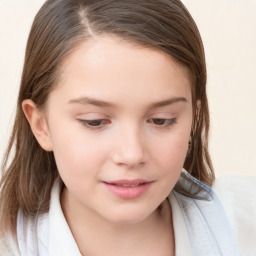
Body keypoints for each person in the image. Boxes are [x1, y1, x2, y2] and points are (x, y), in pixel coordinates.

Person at [0, 0, 255, 255]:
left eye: (162, 120)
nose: (131, 154)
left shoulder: (243, 223)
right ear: (41, 125)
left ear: (192, 118)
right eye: (95, 121)